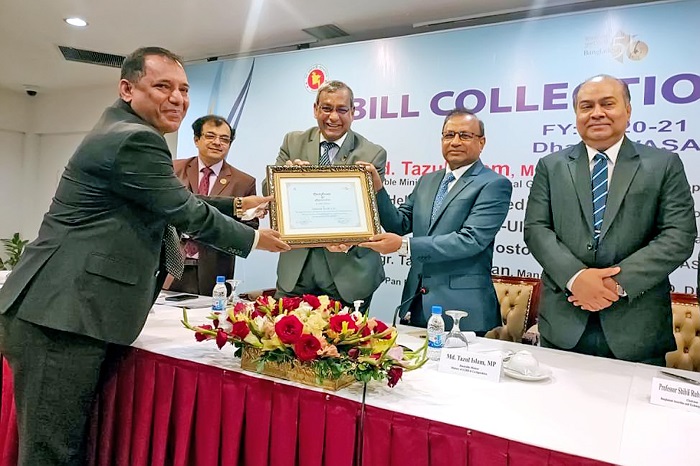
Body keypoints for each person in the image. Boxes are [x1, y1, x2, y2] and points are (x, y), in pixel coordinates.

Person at [0, 47, 290, 465]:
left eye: (184, 89)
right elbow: (184, 209)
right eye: (163, 86)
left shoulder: (123, 129)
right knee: (52, 454)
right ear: (127, 89)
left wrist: (239, 206)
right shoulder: (135, 139)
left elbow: (165, 200)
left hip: (69, 313)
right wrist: (256, 239)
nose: (177, 98)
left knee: (62, 446)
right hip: (61, 317)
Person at [524, 74, 696, 365]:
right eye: (586, 106)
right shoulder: (551, 166)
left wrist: (614, 284)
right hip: (563, 324)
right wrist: (576, 278)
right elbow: (536, 229)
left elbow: (678, 236)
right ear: (576, 114)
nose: (597, 113)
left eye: (607, 104)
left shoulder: (664, 164)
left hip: (637, 327)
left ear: (628, 110)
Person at [358, 108, 512, 334]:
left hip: (463, 310)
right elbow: (399, 224)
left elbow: (471, 240)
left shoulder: (494, 184)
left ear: (482, 142)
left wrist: (404, 246)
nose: (455, 142)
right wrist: (377, 189)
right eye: (449, 135)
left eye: (464, 135)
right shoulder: (428, 181)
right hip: (418, 303)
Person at [268, 80, 386, 308]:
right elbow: (268, 192)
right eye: (326, 108)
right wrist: (286, 178)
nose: (333, 117)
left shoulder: (372, 153)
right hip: (296, 271)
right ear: (315, 109)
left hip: (348, 274)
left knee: (345, 333)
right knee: (283, 330)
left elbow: (371, 213)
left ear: (353, 112)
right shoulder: (293, 141)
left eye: (341, 110)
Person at [169, 114, 259, 295]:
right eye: (210, 136)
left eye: (224, 139)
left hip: (215, 269)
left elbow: (250, 226)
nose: (217, 143)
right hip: (170, 264)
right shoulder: (173, 170)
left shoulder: (243, 182)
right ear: (196, 139)